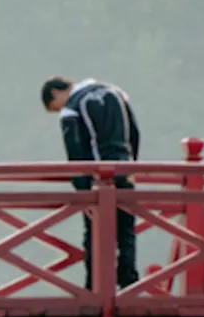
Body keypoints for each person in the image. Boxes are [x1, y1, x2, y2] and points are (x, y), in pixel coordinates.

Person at [41, 76, 140, 289]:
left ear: (56, 93)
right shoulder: (116, 92)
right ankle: (129, 285)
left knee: (95, 234)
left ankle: (95, 287)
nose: (58, 111)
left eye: (54, 108)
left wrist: (82, 191)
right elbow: (134, 133)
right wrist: (132, 166)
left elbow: (76, 154)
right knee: (126, 232)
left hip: (98, 178)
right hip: (124, 171)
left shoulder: (72, 108)